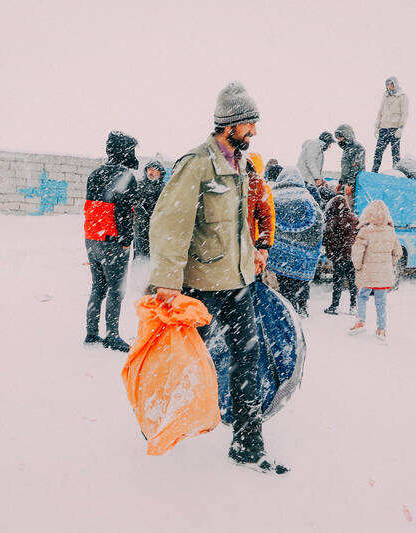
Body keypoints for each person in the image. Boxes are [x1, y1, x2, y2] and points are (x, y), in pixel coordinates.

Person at [148, 81, 288, 475]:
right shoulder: (196, 164)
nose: (254, 132)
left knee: (248, 358)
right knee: (180, 359)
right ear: (230, 124)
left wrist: (256, 253)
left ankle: (246, 444)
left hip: (238, 282)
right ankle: (158, 420)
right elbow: (170, 225)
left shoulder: (240, 164)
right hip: (200, 286)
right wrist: (167, 281)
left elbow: (236, 224)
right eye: (250, 125)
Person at [83, 131, 138, 352]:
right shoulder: (125, 176)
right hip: (113, 240)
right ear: (125, 152)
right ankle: (112, 335)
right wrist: (126, 240)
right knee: (116, 288)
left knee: (98, 287)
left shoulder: (94, 174)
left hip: (91, 239)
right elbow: (124, 212)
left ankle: (91, 332)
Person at [266, 167, 325, 317]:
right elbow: (319, 224)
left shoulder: (274, 196)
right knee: (299, 283)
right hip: (303, 256)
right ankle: (300, 307)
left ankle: (287, 310)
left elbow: (267, 221)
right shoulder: (309, 199)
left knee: (284, 285)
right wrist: (310, 248)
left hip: (280, 256)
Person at [349, 200, 402, 340]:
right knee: (381, 301)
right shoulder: (390, 231)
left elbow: (357, 253)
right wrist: (388, 263)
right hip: (383, 274)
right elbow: (398, 252)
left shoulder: (365, 231)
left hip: (367, 272)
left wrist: (358, 266)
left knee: (361, 296)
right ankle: (381, 329)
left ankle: (360, 321)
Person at [323, 195, 358, 315]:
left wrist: (330, 254)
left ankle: (335, 306)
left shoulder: (334, 220)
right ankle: (353, 306)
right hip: (352, 256)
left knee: (338, 282)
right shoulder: (354, 219)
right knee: (353, 282)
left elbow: (329, 240)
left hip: (339, 256)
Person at [371, 76, 409, 173]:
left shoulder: (402, 96)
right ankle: (374, 171)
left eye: (391, 84)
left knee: (395, 153)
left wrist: (400, 128)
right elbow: (380, 112)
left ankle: (396, 173)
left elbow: (405, 113)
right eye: (387, 84)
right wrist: (377, 126)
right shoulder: (385, 96)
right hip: (383, 128)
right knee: (378, 152)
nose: (389, 86)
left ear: (395, 84)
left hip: (394, 129)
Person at [247, 153, 275, 276]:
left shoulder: (251, 185)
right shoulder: (261, 186)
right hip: (258, 238)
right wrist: (267, 243)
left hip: (250, 238)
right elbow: (269, 216)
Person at [133, 159, 166, 261]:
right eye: (149, 169)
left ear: (160, 172)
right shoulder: (139, 185)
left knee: (155, 261)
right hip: (140, 231)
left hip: (157, 231)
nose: (151, 172)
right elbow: (134, 203)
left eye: (154, 170)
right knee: (140, 260)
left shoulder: (164, 188)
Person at [334, 124, 366, 209]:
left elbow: (356, 166)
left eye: (339, 136)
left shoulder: (356, 147)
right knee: (346, 206)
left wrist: (350, 184)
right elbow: (345, 169)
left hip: (354, 184)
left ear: (346, 135)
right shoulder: (347, 148)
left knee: (350, 207)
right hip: (348, 184)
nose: (338, 139)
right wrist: (340, 183)